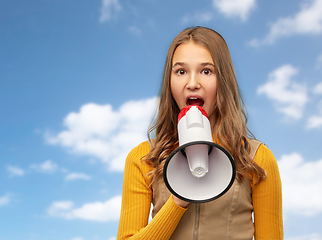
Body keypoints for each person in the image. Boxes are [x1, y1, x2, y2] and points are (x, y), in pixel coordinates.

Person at [117, 26, 283, 240]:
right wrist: (178, 201)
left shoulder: (257, 158)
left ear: (222, 81)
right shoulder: (142, 160)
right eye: (181, 71)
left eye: (206, 71)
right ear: (169, 82)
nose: (192, 83)